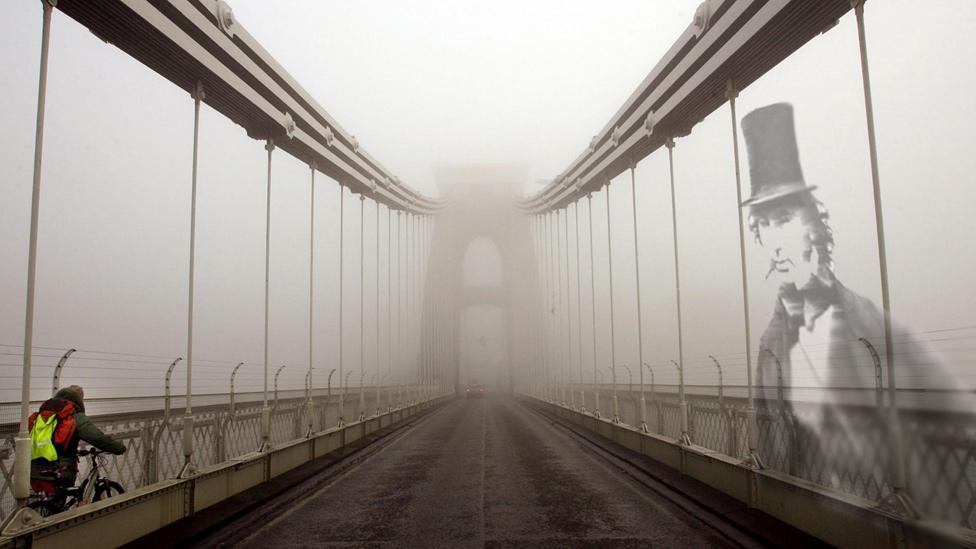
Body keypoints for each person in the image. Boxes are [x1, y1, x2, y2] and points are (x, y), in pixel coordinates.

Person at [741, 103, 973, 490]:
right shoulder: (771, 341)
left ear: (814, 225)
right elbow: (765, 444)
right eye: (763, 225)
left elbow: (951, 438)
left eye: (783, 220)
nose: (774, 244)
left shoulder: (874, 327)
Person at [29, 385, 126, 497]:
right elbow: (97, 438)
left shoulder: (44, 413)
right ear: (79, 399)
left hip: (34, 467)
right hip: (60, 470)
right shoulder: (73, 415)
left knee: (45, 505)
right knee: (59, 508)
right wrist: (119, 448)